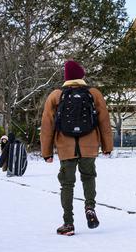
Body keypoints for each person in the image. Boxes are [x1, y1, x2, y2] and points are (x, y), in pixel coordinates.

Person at [40, 60, 114, 236]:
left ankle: (68, 223)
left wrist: (47, 152)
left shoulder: (56, 95)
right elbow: (104, 121)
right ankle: (90, 207)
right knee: (88, 177)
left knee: (67, 184)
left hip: (65, 147)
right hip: (89, 145)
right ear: (81, 76)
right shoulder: (94, 93)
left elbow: (47, 125)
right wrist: (107, 146)